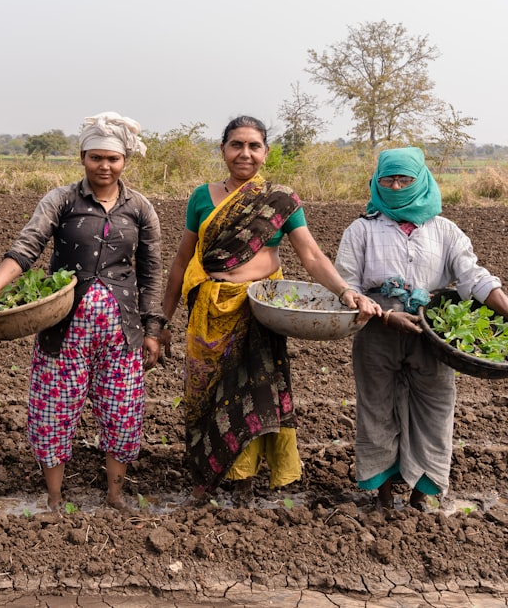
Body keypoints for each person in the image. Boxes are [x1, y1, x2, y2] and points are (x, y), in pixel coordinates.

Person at [160, 115, 381, 500]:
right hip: (210, 312)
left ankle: (244, 484)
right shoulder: (201, 197)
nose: (244, 153)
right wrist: (163, 319)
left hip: (261, 311)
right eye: (236, 145)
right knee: (204, 396)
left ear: (265, 151)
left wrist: (346, 292)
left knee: (253, 396)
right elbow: (181, 261)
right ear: (223, 149)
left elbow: (311, 255)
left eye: (254, 146)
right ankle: (205, 479)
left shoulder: (280, 199)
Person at [0, 111, 164, 511]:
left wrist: (152, 329)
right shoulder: (61, 200)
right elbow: (26, 248)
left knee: (123, 414)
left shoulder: (140, 208)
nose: (104, 166)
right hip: (63, 331)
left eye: (113, 159)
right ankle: (54, 498)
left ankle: (115, 495)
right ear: (82, 156)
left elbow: (151, 273)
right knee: (54, 412)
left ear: (125, 161)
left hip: (122, 334)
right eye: (95, 157)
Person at [334, 146, 508, 510]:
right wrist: (385, 314)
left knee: (435, 410)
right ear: (376, 182)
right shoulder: (362, 230)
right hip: (375, 329)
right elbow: (346, 287)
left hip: (434, 334)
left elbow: (475, 280)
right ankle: (384, 495)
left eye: (405, 178)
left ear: (421, 180)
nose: (397, 185)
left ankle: (423, 494)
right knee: (376, 410)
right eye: (389, 179)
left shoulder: (445, 231)